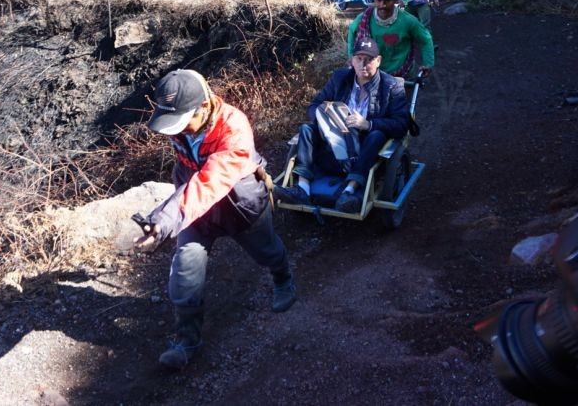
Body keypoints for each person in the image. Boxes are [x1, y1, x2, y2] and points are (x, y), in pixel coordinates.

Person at [133, 69, 296, 370]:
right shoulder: (182, 124)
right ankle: (187, 340)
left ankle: (283, 278)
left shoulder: (235, 128)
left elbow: (211, 180)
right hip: (196, 207)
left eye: (181, 122)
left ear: (204, 107)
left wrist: (168, 217)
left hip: (240, 201)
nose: (174, 131)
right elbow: (193, 179)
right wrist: (159, 225)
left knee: (267, 251)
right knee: (186, 267)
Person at [275, 38, 409, 213]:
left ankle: (350, 191)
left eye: (369, 59)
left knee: (377, 134)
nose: (363, 64)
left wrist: (368, 124)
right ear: (352, 60)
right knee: (306, 129)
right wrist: (327, 117)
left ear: (378, 61)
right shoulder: (340, 78)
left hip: (365, 151)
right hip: (333, 144)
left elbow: (402, 124)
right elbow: (314, 106)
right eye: (359, 58)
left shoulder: (391, 86)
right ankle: (303, 188)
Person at [348, 0, 434, 79]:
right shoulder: (364, 19)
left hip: (403, 73)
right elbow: (351, 31)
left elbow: (426, 40)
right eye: (378, 0)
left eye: (387, 0)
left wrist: (428, 63)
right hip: (373, 73)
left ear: (396, 0)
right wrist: (351, 56)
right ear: (374, 0)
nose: (382, 4)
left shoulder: (408, 21)